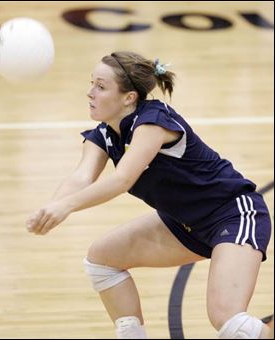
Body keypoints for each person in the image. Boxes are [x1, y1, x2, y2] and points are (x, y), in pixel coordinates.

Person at [26, 51, 272, 339]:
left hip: (233, 214)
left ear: (129, 97)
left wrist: (66, 207)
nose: (90, 93)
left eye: (101, 87)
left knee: (230, 323)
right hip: (185, 224)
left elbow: (122, 178)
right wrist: (51, 208)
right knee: (102, 260)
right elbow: (81, 177)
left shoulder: (153, 122)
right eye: (92, 83)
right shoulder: (104, 135)